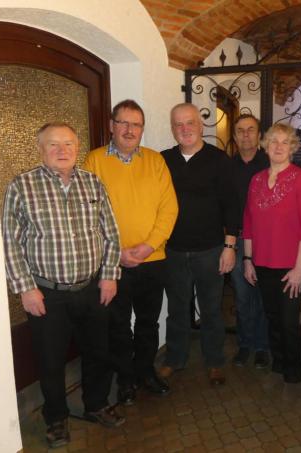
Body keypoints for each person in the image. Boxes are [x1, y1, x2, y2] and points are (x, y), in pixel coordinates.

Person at [2, 122, 125, 448]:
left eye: (68, 144)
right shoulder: (22, 186)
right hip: (47, 294)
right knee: (50, 360)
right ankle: (56, 419)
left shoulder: (93, 184)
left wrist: (109, 275)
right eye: (53, 145)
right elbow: (10, 243)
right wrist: (25, 287)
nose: (62, 150)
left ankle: (96, 404)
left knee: (97, 352)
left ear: (77, 147)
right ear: (40, 149)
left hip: (92, 288)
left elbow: (111, 234)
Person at [83, 100, 178, 405]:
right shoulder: (93, 162)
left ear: (142, 129)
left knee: (149, 323)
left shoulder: (155, 161)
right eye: (123, 123)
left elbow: (169, 208)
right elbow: (86, 214)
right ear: (112, 126)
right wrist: (115, 251)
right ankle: (125, 379)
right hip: (113, 265)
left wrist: (149, 244)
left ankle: (145, 372)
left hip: (153, 260)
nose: (129, 130)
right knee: (119, 326)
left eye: (136, 124)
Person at [159, 103, 240, 386]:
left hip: (210, 250)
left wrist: (230, 247)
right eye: (178, 124)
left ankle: (215, 361)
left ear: (201, 126)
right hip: (173, 251)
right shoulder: (163, 160)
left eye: (190, 123)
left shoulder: (220, 160)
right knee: (177, 309)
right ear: (173, 129)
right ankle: (175, 359)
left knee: (211, 309)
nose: (185, 129)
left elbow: (232, 206)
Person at [241, 123, 301, 383]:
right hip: (261, 261)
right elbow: (248, 222)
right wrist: (248, 259)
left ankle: (293, 369)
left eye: (285, 142)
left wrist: (299, 269)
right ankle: (279, 362)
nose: (279, 147)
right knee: (272, 317)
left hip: (289, 265)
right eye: (274, 141)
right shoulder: (256, 180)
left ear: (292, 147)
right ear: (266, 145)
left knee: (287, 320)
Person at [229, 114, 271, 369]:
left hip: (266, 240)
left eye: (251, 130)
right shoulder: (227, 167)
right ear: (234, 137)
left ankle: (263, 346)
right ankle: (245, 344)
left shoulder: (270, 164)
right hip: (238, 238)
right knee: (243, 296)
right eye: (240, 131)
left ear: (259, 135)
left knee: (263, 296)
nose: (245, 135)